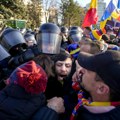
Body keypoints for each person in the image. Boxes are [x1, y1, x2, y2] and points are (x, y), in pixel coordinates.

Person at [71, 50, 120, 120]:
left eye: (88, 70)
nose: (81, 70)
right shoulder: (88, 94)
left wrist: (53, 113)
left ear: (101, 89)